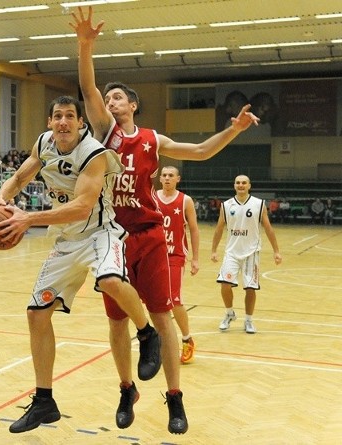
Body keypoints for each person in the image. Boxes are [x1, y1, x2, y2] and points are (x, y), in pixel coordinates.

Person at [71, 6, 260, 434]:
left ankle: (175, 399)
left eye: (119, 97)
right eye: (109, 97)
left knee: (163, 317)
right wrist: (85, 46)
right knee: (117, 321)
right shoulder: (103, 131)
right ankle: (126, 389)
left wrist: (233, 130)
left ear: (133, 105)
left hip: (149, 234)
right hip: (111, 239)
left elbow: (200, 151)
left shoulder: (152, 140)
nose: (111, 102)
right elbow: (87, 90)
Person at [0, 96, 158, 434]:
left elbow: (82, 206)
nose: (62, 122)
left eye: (69, 116)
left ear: (81, 123)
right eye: (57, 116)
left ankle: (147, 333)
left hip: (100, 232)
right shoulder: (43, 143)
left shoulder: (93, 153)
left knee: (109, 281)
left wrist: (28, 218)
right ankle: (44, 400)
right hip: (68, 240)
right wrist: (0, 200)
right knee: (37, 313)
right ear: (50, 122)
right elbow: (20, 179)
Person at [211, 175, 282, 334]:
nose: (241, 185)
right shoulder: (226, 205)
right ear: (234, 185)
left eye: (244, 183)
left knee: (250, 288)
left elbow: (268, 228)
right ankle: (229, 313)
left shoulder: (259, 204)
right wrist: (214, 250)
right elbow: (219, 228)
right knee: (225, 284)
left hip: (251, 252)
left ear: (249, 185)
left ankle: (248, 320)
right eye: (238, 183)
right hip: (231, 252)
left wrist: (276, 251)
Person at [154, 167, 200, 364]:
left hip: (175, 255)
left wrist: (195, 258)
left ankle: (187, 338)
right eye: (164, 175)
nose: (166, 178)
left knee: (174, 300)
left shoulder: (185, 201)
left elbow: (194, 230)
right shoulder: (152, 197)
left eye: (170, 176)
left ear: (177, 179)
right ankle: (158, 344)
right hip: (154, 254)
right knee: (155, 302)